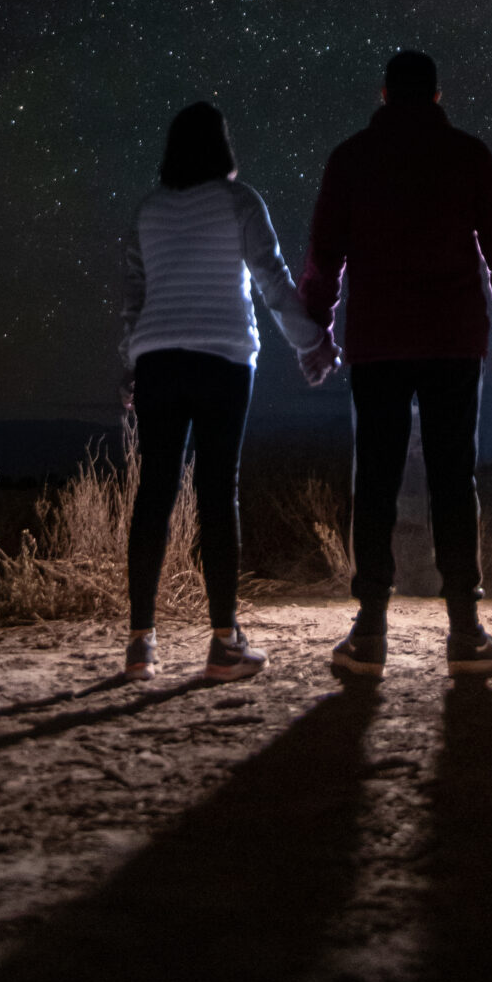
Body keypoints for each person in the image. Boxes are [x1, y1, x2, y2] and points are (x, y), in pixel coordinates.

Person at [299, 49, 492, 679]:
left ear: (383, 95)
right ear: (436, 96)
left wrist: (313, 336)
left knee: (373, 478)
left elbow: (325, 258)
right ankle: (464, 630)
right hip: (454, 338)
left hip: (377, 340)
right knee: (454, 479)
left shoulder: (351, 157)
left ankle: (370, 629)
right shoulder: (469, 154)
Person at [119, 100, 333, 682]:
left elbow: (134, 297)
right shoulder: (241, 201)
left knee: (154, 490)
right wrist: (311, 342)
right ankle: (223, 642)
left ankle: (141, 644)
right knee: (218, 490)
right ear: (222, 147)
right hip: (222, 358)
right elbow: (272, 280)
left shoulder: (148, 210)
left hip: (158, 358)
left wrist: (130, 363)